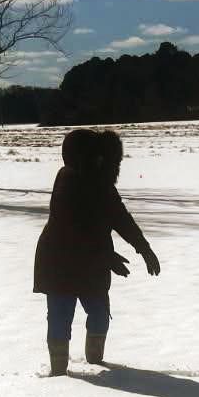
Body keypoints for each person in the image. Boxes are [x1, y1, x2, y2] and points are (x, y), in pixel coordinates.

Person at [33, 128, 161, 376]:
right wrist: (106, 256)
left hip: (93, 264)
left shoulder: (102, 184)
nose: (102, 161)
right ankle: (58, 374)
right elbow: (71, 229)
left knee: (100, 312)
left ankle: (96, 361)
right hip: (59, 262)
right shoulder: (67, 181)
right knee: (60, 316)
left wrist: (143, 247)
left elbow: (120, 217)